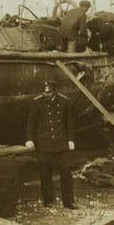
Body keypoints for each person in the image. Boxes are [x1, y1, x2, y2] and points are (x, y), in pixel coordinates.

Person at [25, 81, 78, 209]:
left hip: (61, 143)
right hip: (44, 143)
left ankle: (68, 201)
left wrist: (71, 140)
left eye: (48, 92)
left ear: (55, 90)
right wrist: (29, 139)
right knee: (45, 173)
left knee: (66, 172)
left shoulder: (64, 101)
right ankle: (48, 200)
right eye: (44, 92)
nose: (46, 94)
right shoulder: (37, 101)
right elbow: (30, 123)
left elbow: (69, 123)